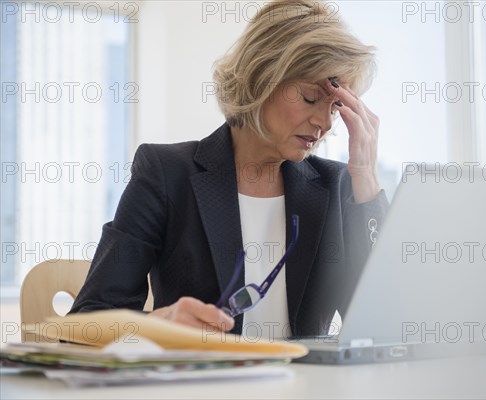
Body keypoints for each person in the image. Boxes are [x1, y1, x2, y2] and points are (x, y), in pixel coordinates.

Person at [70, 0, 388, 340]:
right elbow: (86, 321)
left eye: (335, 107)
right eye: (311, 98)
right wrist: (158, 324)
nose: (324, 123)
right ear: (261, 78)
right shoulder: (165, 174)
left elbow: (386, 323)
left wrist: (366, 181)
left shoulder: (338, 186)